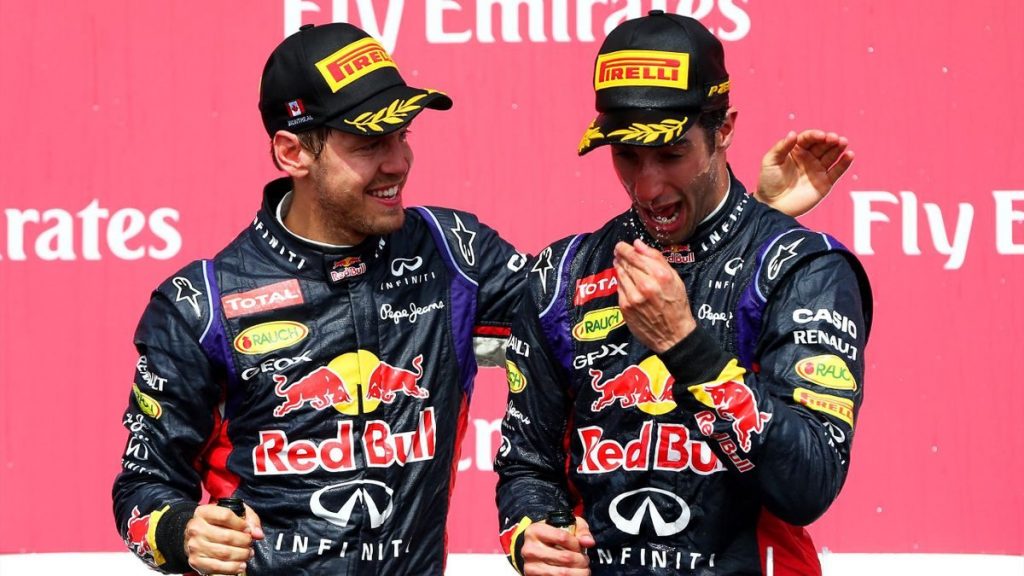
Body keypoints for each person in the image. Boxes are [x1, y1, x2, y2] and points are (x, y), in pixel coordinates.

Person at [112, 21, 854, 576]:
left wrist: (754, 221)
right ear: (292, 152)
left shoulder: (451, 257)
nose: (399, 160)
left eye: (402, 133)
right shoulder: (200, 302)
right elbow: (142, 487)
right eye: (369, 141)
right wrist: (178, 533)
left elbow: (603, 308)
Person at [494, 10, 872, 576]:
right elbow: (528, 466)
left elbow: (810, 482)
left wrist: (685, 346)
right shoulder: (563, 271)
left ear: (724, 130)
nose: (647, 186)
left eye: (671, 154)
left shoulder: (802, 267)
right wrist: (531, 536)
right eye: (626, 155)